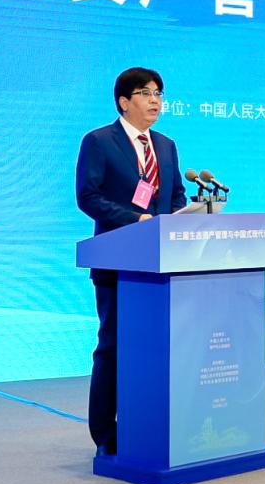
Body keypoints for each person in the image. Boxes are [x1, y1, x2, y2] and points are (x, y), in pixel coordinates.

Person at [76, 67, 187, 457]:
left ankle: (148, 425)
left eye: (159, 93)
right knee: (114, 346)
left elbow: (175, 196)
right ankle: (106, 435)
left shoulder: (166, 146)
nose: (155, 100)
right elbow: (88, 196)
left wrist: (180, 217)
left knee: (156, 349)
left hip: (160, 267)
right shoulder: (99, 141)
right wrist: (135, 220)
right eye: (145, 93)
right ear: (124, 101)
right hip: (117, 263)